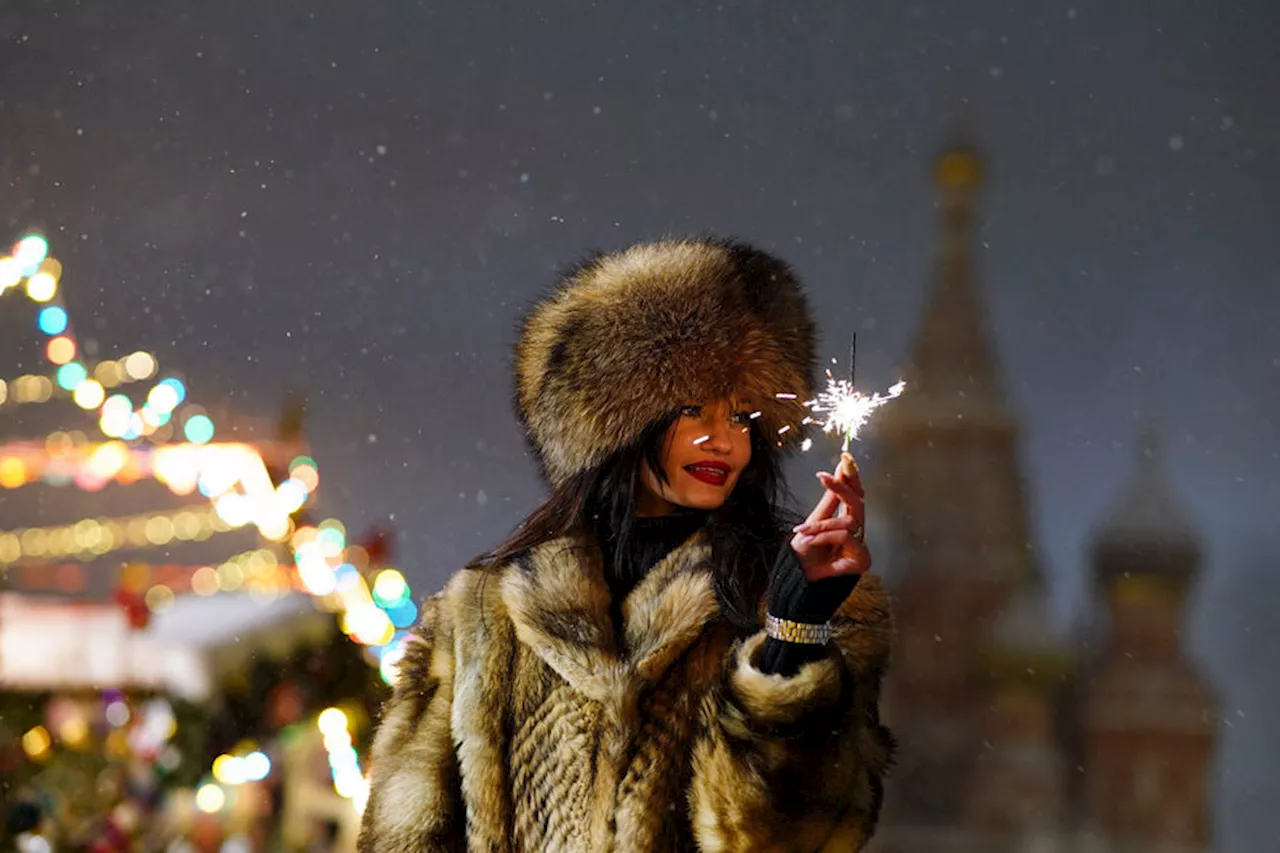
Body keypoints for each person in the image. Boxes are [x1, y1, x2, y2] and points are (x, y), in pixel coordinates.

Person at [358, 238, 894, 852]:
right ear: (618, 421)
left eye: (743, 417)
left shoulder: (797, 598)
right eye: (694, 409)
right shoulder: (483, 611)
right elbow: (407, 834)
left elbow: (796, 840)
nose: (724, 440)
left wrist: (792, 642)